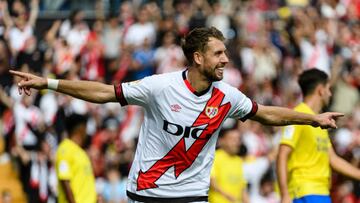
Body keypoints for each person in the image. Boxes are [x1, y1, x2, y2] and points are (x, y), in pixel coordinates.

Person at [10, 27, 343, 202]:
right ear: (197, 58)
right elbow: (103, 93)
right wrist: (50, 83)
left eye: (225, 52)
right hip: (146, 194)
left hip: (192, 196)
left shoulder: (228, 97)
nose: (226, 59)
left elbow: (266, 113)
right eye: (218, 53)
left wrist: (313, 118)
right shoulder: (160, 86)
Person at [277, 68, 360, 203]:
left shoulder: (320, 122)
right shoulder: (298, 116)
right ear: (321, 90)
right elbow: (282, 154)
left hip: (321, 192)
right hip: (304, 190)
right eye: (328, 89)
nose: (330, 93)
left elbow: (333, 160)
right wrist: (284, 194)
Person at [55, 113, 96, 203]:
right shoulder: (64, 150)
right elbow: (65, 181)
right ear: (80, 129)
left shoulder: (81, 152)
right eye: (86, 128)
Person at [209, 127, 249, 203]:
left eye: (238, 139)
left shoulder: (239, 160)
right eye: (233, 139)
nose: (237, 142)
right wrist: (229, 196)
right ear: (221, 141)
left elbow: (242, 188)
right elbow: (212, 183)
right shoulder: (214, 157)